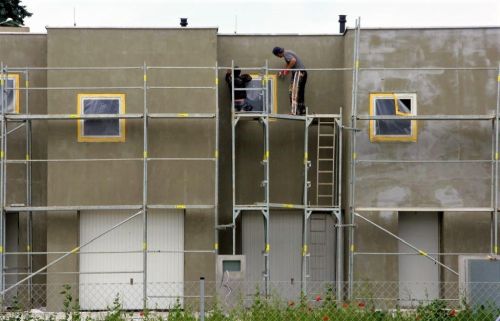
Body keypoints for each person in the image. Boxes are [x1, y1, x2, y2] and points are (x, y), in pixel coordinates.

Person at [272, 46, 308, 115]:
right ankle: (301, 110)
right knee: (300, 93)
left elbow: (293, 61)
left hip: (298, 72)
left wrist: (287, 69)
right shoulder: (288, 52)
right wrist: (283, 71)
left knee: (293, 92)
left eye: (276, 55)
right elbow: (289, 63)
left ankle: (294, 112)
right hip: (302, 73)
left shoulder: (286, 55)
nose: (278, 57)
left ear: (278, 53)